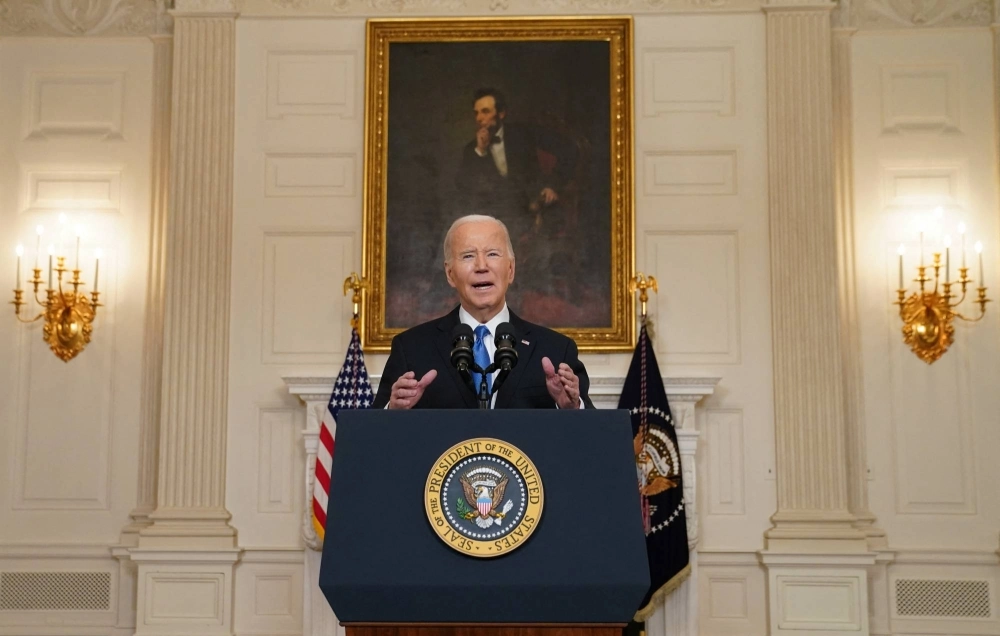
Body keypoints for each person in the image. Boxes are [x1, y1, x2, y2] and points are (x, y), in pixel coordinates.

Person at [373, 214, 593, 410]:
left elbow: (594, 441)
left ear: (511, 269)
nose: (481, 266)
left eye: (492, 254)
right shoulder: (411, 349)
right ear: (450, 274)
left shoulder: (556, 351)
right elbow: (373, 439)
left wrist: (571, 408)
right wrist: (393, 411)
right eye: (468, 256)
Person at [453, 88, 577, 242]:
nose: (479, 118)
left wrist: (552, 184)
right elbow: (463, 186)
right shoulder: (472, 149)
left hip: (533, 207)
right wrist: (481, 152)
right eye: (476, 113)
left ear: (501, 113)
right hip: (495, 216)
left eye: (485, 111)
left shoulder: (523, 133)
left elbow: (568, 149)